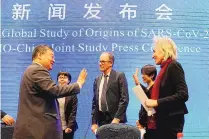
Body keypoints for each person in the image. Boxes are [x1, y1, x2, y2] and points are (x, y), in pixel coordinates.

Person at [13, 45, 87, 139]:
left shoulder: (31, 70)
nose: (54, 60)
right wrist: (78, 84)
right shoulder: (37, 70)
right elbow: (54, 90)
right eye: (51, 56)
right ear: (39, 55)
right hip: (37, 131)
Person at [145, 37, 189, 139]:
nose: (153, 55)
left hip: (170, 123)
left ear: (164, 51)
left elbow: (183, 95)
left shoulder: (174, 66)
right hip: (161, 121)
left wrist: (156, 102)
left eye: (154, 51)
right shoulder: (164, 69)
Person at [91, 52, 129, 134]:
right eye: (100, 61)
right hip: (101, 120)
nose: (100, 64)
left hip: (116, 120)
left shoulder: (119, 76)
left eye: (103, 62)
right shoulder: (97, 79)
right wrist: (94, 122)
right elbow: (95, 102)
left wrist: (117, 118)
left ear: (111, 63)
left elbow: (124, 99)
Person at [133, 65, 157, 139]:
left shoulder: (155, 88)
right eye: (142, 74)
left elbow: (150, 109)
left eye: (144, 74)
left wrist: (141, 121)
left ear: (152, 75)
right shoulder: (148, 88)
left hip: (152, 126)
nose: (142, 76)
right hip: (146, 125)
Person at [57, 71, 78, 139]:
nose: (62, 79)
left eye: (65, 77)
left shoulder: (72, 94)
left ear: (69, 80)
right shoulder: (53, 92)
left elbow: (73, 112)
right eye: (60, 77)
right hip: (55, 126)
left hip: (68, 127)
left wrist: (69, 126)